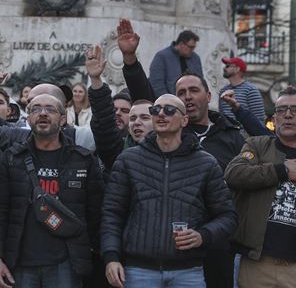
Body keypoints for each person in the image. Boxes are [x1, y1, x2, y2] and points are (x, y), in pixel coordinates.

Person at [102, 94, 238, 288]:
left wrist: (203, 235)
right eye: (155, 110)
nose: (161, 114)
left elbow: (228, 216)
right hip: (138, 270)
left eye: (170, 110)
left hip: (188, 271)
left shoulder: (206, 163)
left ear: (184, 120)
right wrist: (111, 256)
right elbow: (112, 213)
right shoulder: (128, 160)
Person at [0, 93, 103, 288]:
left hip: (67, 264)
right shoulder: (12, 158)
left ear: (63, 118)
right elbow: (0, 213)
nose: (42, 113)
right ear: (28, 117)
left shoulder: (83, 160)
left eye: (50, 109)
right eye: (36, 109)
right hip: (20, 263)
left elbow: (96, 214)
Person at [225, 86, 296, 287]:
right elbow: (234, 173)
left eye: (294, 109)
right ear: (274, 119)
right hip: (257, 263)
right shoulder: (257, 145)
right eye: (281, 110)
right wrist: (281, 170)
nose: (288, 115)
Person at [86, 45, 149, 171]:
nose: (118, 113)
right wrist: (95, 80)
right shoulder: (115, 150)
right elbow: (104, 119)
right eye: (114, 110)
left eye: (125, 111)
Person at [148, 30, 202, 96]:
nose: (192, 50)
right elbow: (156, 83)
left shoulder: (195, 58)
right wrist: (167, 101)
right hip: (168, 102)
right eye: (190, 47)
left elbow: (200, 82)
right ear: (181, 44)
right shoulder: (162, 57)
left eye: (193, 47)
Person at [218, 57, 265, 123]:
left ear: (237, 69)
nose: (224, 68)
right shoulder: (223, 91)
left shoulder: (251, 90)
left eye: (228, 66)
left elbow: (259, 121)